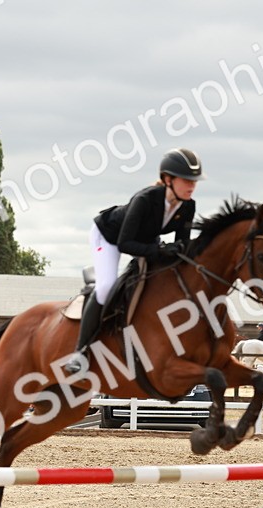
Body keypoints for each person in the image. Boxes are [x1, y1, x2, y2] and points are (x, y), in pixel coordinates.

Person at [64, 148, 203, 375]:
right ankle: (80, 352)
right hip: (109, 237)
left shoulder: (188, 205)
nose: (192, 186)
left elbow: (182, 244)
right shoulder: (145, 199)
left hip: (145, 239)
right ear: (168, 179)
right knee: (106, 286)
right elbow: (124, 244)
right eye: (187, 180)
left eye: (194, 181)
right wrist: (160, 250)